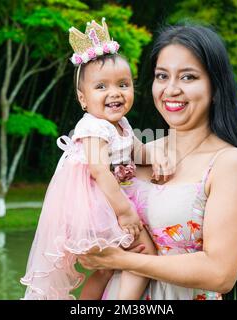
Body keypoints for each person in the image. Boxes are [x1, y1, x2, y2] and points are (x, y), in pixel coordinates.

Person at [77, 24, 237, 300]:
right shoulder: (133, 153)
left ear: (215, 86)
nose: (171, 89)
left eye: (188, 77)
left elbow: (220, 274)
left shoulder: (229, 164)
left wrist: (122, 261)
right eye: (162, 76)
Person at [20, 18, 171, 300]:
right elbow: (100, 171)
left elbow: (137, 148)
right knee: (145, 254)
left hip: (104, 203)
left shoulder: (120, 124)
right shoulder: (92, 127)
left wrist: (156, 158)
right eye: (101, 87)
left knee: (105, 270)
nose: (115, 93)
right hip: (92, 207)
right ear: (83, 99)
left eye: (123, 85)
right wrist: (125, 212)